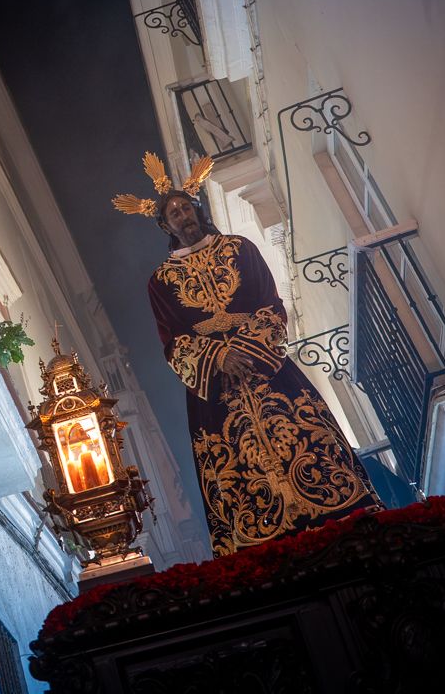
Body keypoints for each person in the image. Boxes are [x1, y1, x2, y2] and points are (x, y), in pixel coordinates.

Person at [115, 152, 379, 556]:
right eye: (174, 213)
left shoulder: (240, 248)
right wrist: (218, 359)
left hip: (266, 368)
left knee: (305, 435)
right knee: (235, 463)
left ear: (198, 211)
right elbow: (174, 342)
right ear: (164, 226)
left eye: (187, 207)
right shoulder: (161, 282)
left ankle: (338, 510)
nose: (183, 215)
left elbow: (271, 304)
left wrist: (247, 348)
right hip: (215, 389)